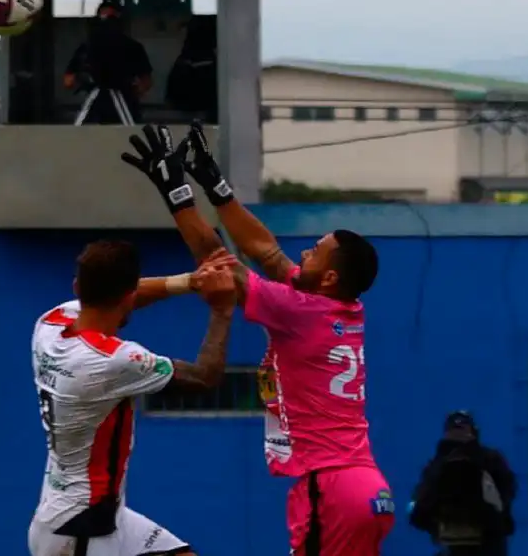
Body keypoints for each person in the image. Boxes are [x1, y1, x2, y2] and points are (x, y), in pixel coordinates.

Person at [120, 123, 393, 556]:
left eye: (314, 251)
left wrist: (177, 192)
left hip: (331, 484)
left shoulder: (300, 310)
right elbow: (266, 252)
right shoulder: (340, 305)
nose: (301, 253)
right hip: (364, 485)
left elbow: (221, 267)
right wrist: (216, 186)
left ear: (330, 276)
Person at [27, 240, 237, 556]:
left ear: (76, 287)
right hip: (82, 530)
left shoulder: (50, 323)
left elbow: (118, 295)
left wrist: (190, 282)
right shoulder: (116, 360)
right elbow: (204, 377)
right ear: (129, 296)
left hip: (85, 513)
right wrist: (222, 309)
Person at [409, 411, 517, 556]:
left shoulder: (437, 466)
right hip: (488, 544)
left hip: (456, 545)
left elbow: (418, 512)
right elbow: (507, 498)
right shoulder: (491, 460)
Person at [64, 1, 153, 126]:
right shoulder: (131, 47)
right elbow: (146, 83)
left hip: (117, 103)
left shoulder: (87, 47)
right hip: (105, 105)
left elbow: (68, 81)